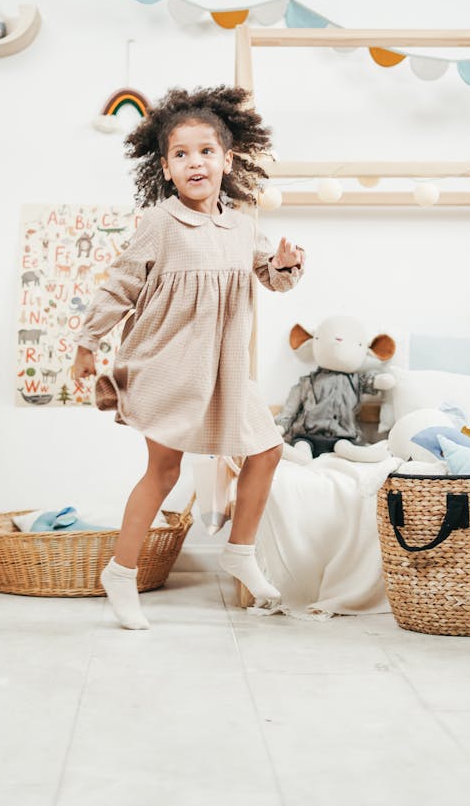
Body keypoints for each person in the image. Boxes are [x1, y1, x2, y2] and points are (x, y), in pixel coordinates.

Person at [72, 85, 305, 629]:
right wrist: (87, 344)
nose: (194, 162)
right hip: (169, 362)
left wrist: (287, 264)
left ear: (228, 160)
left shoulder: (242, 225)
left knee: (266, 452)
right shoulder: (160, 223)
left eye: (206, 152)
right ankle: (121, 573)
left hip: (224, 370)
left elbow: (270, 279)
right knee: (164, 470)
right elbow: (120, 286)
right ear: (166, 167)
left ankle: (240, 553)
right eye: (181, 154)